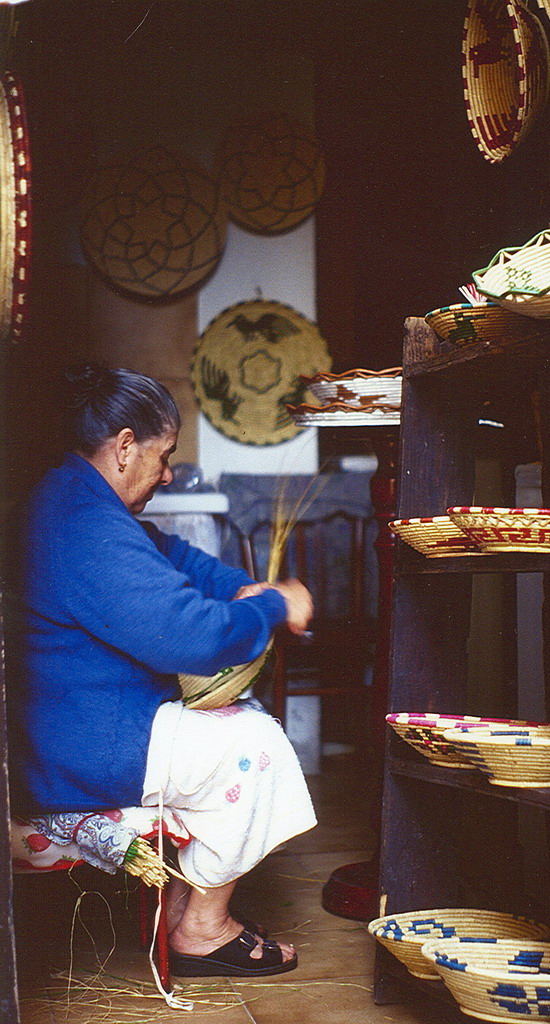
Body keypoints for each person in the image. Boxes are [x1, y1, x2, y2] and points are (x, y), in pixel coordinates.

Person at [7, 364, 317, 979]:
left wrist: (241, 586)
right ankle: (201, 929)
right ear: (124, 446)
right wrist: (275, 604)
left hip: (74, 731)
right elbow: (192, 638)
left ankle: (182, 910)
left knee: (238, 724)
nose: (168, 472)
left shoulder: (69, 497)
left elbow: (166, 554)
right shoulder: (82, 526)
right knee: (255, 744)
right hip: (83, 750)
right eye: (163, 455)